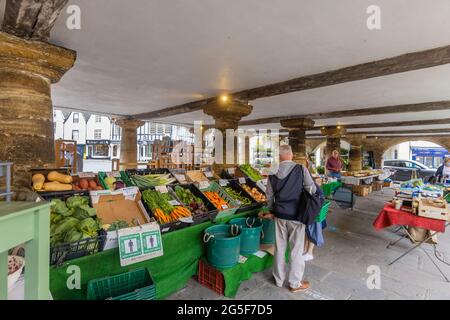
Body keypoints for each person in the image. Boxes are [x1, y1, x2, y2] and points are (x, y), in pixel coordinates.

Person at [264, 145, 317, 293]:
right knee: (296, 249)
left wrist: (272, 209)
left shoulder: (273, 172)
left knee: (279, 248)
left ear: (279, 157)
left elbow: (269, 195)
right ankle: (294, 283)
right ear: (291, 155)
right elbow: (311, 188)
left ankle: (278, 279)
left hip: (280, 215)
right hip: (297, 216)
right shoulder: (301, 169)